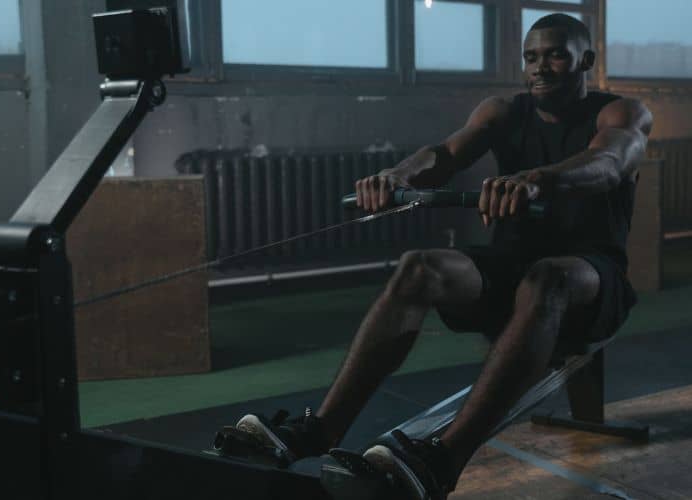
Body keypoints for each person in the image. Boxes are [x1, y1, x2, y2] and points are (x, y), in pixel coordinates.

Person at [230, 13, 652, 500]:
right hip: (510, 272)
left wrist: (538, 178)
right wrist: (399, 175)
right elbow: (445, 154)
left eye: (556, 54)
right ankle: (320, 429)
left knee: (546, 277)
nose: (541, 67)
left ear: (586, 60)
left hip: (590, 277)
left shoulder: (620, 113)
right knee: (420, 268)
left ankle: (444, 459)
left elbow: (609, 163)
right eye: (531, 57)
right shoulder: (503, 111)